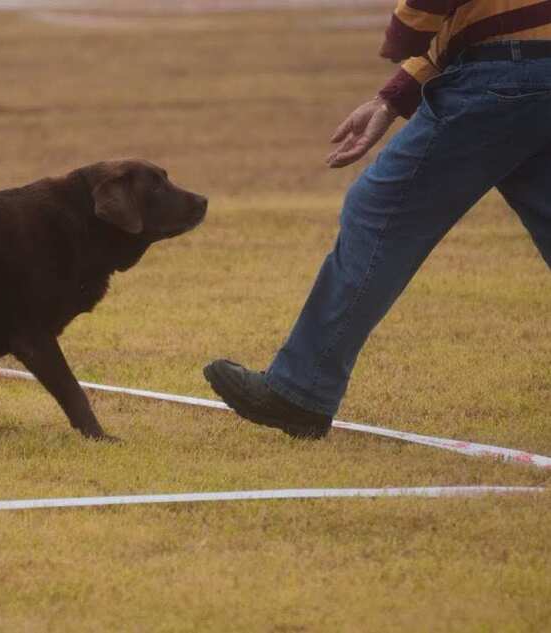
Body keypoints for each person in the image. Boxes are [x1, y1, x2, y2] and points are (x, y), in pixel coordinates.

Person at [204, 0, 551, 439]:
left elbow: (440, 20)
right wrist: (392, 97)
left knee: (380, 210)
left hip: (501, 78)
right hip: (526, 65)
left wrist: (403, 33)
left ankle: (300, 390)